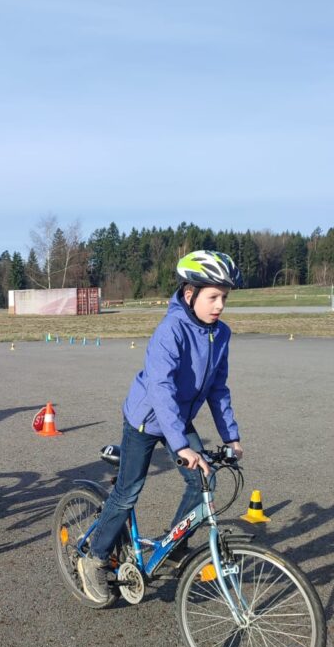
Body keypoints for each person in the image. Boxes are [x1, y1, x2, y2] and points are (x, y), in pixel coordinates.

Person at [77, 250, 245, 602]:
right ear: (190, 294)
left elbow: (218, 388)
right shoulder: (171, 330)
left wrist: (231, 436)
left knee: (205, 479)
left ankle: (174, 546)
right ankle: (94, 558)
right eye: (213, 297)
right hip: (145, 420)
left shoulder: (221, 334)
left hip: (177, 421)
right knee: (128, 492)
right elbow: (161, 388)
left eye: (224, 298)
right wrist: (181, 445)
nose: (220, 306)